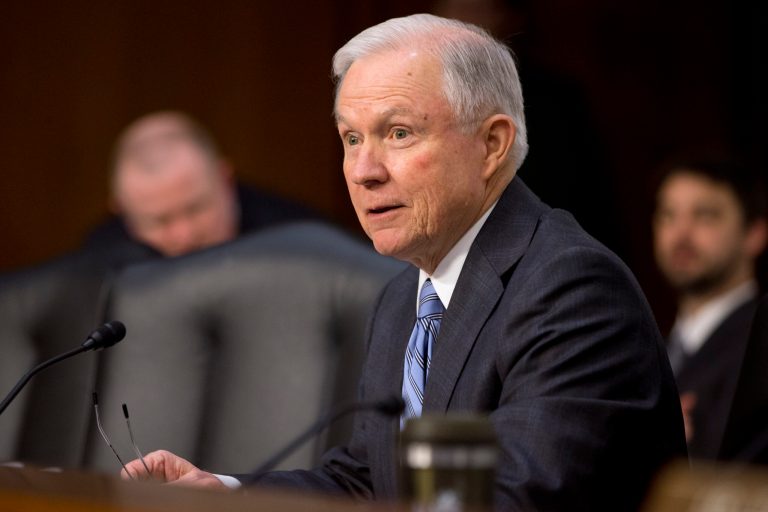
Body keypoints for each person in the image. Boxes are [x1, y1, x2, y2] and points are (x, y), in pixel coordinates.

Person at [123, 14, 686, 510]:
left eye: (398, 133)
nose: (363, 171)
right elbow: (371, 482)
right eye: (351, 138)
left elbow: (516, 497)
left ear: (491, 145)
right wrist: (225, 494)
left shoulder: (571, 288)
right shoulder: (404, 296)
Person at [83, 111, 316, 269]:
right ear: (122, 213)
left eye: (195, 209)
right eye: (160, 221)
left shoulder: (300, 244)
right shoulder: (96, 269)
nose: (184, 236)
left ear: (225, 180)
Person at [653, 157, 767, 461]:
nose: (680, 233)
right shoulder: (648, 350)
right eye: (667, 215)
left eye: (704, 215)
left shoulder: (759, 341)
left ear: (754, 232)